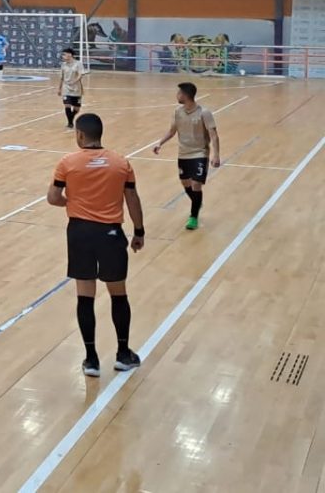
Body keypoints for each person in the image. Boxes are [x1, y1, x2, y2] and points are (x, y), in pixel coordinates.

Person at [47, 112, 144, 377]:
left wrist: (72, 202)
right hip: (111, 234)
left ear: (79, 134)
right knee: (118, 294)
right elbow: (132, 198)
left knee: (85, 295)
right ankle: (123, 354)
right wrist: (139, 231)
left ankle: (91, 359)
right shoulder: (121, 163)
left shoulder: (67, 163)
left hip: (79, 232)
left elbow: (53, 197)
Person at [151, 81, 221, 230]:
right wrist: (160, 143)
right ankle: (197, 201)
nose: (177, 95)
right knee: (185, 183)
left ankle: (193, 217)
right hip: (183, 153)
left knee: (196, 184)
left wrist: (216, 155)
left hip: (200, 153)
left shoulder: (204, 113)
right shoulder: (177, 112)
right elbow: (171, 131)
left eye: (179, 93)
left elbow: (214, 136)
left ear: (185, 95)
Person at [58, 47, 89, 130]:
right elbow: (61, 77)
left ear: (70, 55)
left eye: (64, 54)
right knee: (67, 105)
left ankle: (71, 118)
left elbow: (80, 74)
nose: (63, 56)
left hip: (76, 88)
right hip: (66, 88)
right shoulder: (63, 65)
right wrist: (59, 88)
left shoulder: (78, 64)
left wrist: (74, 81)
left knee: (76, 108)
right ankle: (70, 123)